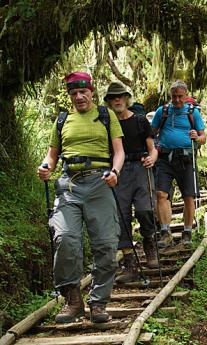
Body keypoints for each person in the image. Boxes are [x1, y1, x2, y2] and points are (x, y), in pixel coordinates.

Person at [37, 72, 124, 323]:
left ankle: (98, 303)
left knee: (106, 244)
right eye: (74, 93)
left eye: (83, 92)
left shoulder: (106, 116)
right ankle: (73, 301)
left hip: (100, 182)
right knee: (65, 239)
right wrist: (45, 167)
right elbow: (52, 155)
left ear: (91, 91)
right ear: (70, 96)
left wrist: (115, 171)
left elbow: (119, 152)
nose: (79, 97)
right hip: (69, 185)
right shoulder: (63, 120)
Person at [104, 82, 159, 284]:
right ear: (109, 102)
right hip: (118, 172)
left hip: (140, 168)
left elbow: (152, 148)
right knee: (121, 216)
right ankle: (130, 264)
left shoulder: (140, 121)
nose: (117, 100)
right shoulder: (106, 124)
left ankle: (149, 243)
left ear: (126, 98)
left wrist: (152, 158)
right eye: (113, 98)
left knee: (145, 210)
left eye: (120, 97)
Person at [151, 80, 206, 248]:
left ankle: (187, 231)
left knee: (188, 196)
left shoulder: (193, 112)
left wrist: (197, 137)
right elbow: (152, 133)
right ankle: (165, 232)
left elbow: (203, 138)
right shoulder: (163, 111)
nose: (177, 100)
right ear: (170, 96)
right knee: (161, 194)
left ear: (186, 95)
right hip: (164, 159)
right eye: (174, 96)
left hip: (186, 159)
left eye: (180, 96)